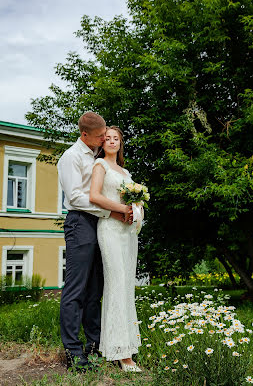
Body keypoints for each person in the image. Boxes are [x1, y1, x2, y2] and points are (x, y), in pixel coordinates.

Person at [57, 112, 132, 371]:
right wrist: (111, 211)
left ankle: (94, 345)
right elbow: (77, 198)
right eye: (100, 136)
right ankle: (73, 352)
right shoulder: (71, 157)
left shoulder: (96, 156)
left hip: (101, 226)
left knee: (95, 290)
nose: (104, 139)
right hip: (80, 223)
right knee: (75, 290)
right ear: (84, 134)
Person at [89, 126, 142, 372]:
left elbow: (133, 202)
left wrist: (136, 211)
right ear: (102, 142)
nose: (112, 141)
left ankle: (125, 344)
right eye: (107, 138)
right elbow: (94, 196)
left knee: (126, 287)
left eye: (116, 138)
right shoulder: (100, 165)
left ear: (121, 143)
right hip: (110, 229)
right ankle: (122, 354)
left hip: (128, 233)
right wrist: (122, 210)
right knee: (116, 284)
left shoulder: (125, 171)